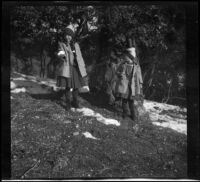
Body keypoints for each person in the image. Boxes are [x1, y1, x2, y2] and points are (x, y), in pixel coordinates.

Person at [56, 25, 88, 110]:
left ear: (72, 36)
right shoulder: (62, 44)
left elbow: (80, 56)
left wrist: (82, 66)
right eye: (66, 35)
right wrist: (62, 56)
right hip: (67, 68)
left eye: (69, 35)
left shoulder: (76, 45)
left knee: (76, 87)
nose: (68, 37)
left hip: (76, 68)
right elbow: (60, 51)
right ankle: (68, 103)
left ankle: (75, 101)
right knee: (68, 86)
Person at [115, 38, 143, 122]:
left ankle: (133, 115)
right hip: (124, 86)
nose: (125, 58)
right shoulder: (123, 65)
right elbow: (117, 71)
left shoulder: (136, 66)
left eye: (126, 57)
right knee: (124, 101)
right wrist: (119, 75)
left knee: (131, 102)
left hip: (132, 88)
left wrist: (140, 83)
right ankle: (125, 114)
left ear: (131, 58)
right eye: (125, 57)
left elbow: (139, 75)